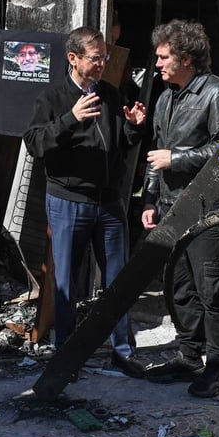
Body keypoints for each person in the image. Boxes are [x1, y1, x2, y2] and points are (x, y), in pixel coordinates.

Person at [23, 26, 148, 378]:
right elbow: (34, 143)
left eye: (105, 58)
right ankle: (67, 354)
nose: (102, 64)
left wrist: (133, 127)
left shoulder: (110, 94)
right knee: (67, 283)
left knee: (119, 279)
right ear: (73, 58)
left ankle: (123, 352)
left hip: (109, 204)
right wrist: (70, 119)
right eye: (96, 58)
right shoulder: (52, 98)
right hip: (69, 202)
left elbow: (120, 145)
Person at [140, 19, 219, 398]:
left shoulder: (218, 95)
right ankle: (188, 357)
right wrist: (149, 199)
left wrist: (177, 159)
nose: (158, 64)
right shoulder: (166, 97)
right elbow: (156, 154)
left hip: (205, 211)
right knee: (178, 289)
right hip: (170, 209)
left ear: (185, 58)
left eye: (164, 57)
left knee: (213, 290)